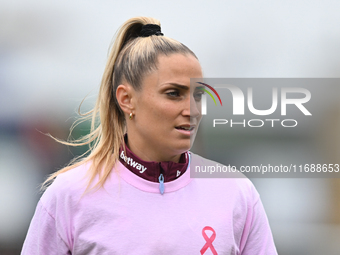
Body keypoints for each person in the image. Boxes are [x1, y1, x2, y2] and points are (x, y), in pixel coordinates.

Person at [21, 17, 278, 254]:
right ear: (127, 99)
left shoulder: (236, 192)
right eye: (173, 93)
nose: (193, 111)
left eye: (198, 95)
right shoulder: (70, 194)